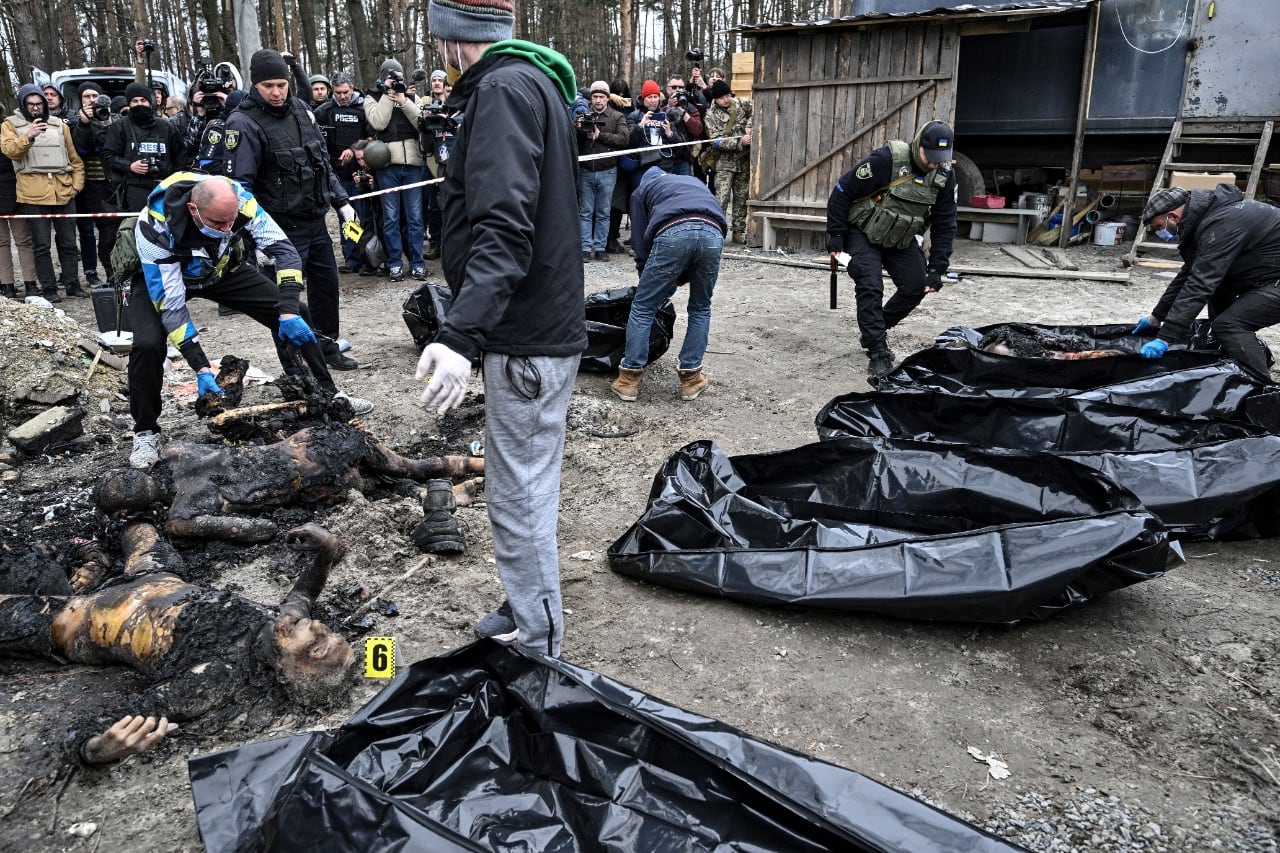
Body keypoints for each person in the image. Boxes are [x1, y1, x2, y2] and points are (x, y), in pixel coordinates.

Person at [418, 0, 586, 659]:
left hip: (526, 333)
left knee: (518, 498)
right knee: (521, 484)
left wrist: (460, 334)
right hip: (535, 325)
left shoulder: (502, 91)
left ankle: (538, 644)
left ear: (452, 36)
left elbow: (504, 231)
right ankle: (523, 604)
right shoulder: (535, 81)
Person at [0, 520, 354, 765]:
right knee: (129, 491)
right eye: (326, 630)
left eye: (317, 646)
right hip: (155, 573)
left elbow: (117, 718)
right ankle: (92, 554)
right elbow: (303, 596)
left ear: (286, 673)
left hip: (78, 618)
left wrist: (94, 749)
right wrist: (326, 552)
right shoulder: (280, 627)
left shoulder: (215, 677)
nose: (314, 626)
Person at [125, 172, 372, 469]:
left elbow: (284, 251)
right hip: (164, 276)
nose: (228, 228)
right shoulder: (154, 225)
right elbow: (173, 307)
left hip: (219, 268)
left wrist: (289, 309)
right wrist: (201, 367)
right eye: (218, 223)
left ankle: (329, 396)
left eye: (232, 222)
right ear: (194, 210)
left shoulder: (240, 200)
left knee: (299, 314)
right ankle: (146, 431)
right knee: (147, 344)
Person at [224, 48, 360, 371]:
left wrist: (342, 203)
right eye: (268, 86)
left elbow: (321, 163)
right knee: (285, 300)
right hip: (278, 230)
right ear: (256, 85)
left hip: (314, 222)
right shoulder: (242, 123)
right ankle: (296, 366)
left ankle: (328, 348)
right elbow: (239, 189)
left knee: (326, 288)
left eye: (281, 85)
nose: (276, 92)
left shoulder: (301, 110)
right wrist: (256, 238)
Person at [825, 119, 958, 380]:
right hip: (862, 232)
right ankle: (878, 351)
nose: (934, 164)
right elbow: (842, 192)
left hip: (901, 238)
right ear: (919, 144)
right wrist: (836, 236)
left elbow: (945, 224)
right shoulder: (886, 160)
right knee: (870, 283)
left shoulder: (944, 176)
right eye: (930, 157)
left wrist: (937, 268)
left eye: (939, 159)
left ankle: (875, 328)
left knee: (916, 285)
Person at [1132, 184, 1280, 380]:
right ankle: (1231, 363)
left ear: (1173, 217)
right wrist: (1156, 317)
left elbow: (1201, 284)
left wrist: (1165, 338)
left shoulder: (1223, 224)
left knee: (1228, 325)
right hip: (1266, 274)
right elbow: (1188, 275)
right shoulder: (1208, 221)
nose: (1160, 233)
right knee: (1219, 298)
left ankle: (1263, 390)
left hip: (1274, 280)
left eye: (1159, 227)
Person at [611, 167, 727, 403]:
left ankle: (628, 380)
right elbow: (698, 235)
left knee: (643, 307)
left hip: (674, 231)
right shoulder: (691, 181)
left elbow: (640, 242)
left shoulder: (642, 191)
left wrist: (647, 279)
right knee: (700, 307)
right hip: (714, 233)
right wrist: (676, 279)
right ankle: (691, 379)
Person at [0, 84, 85, 302]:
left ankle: (72, 283)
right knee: (41, 245)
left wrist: (76, 186)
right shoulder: (10, 125)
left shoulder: (59, 125)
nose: (36, 108)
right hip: (32, 192)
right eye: (31, 105)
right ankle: (48, 288)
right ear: (22, 105)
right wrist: (28, 136)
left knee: (68, 242)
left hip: (63, 190)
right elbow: (10, 151)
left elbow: (75, 160)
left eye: (39, 104)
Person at [365, 58, 427, 282]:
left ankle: (417, 263)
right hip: (387, 167)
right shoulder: (372, 97)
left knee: (415, 218)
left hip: (412, 166)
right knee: (390, 218)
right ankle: (394, 264)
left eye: (398, 76)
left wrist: (403, 99)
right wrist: (387, 96)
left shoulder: (411, 97)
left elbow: (421, 122)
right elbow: (379, 123)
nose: (395, 80)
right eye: (391, 76)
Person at [314, 73, 370, 273]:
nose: (343, 96)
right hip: (337, 174)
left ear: (352, 88)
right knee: (346, 218)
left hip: (361, 173)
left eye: (346, 92)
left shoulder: (364, 109)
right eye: (338, 93)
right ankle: (352, 258)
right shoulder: (323, 112)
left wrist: (354, 149)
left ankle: (367, 257)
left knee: (363, 216)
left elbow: (372, 136)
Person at [104, 81, 186, 213]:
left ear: (150, 102)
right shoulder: (120, 126)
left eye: (143, 100)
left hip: (164, 187)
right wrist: (129, 166)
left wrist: (175, 182)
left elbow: (181, 158)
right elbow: (108, 156)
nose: (139, 104)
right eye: (134, 101)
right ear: (129, 104)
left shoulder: (166, 126)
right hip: (133, 190)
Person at [576, 80, 629, 262]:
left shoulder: (617, 117)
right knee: (585, 211)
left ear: (607, 98)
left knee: (603, 212)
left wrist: (600, 135)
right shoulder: (583, 115)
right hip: (585, 171)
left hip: (608, 171)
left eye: (601, 97)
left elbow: (623, 139)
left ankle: (600, 247)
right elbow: (572, 141)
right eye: (595, 97)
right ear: (591, 98)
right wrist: (578, 128)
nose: (598, 100)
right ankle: (584, 248)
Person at [701, 79, 752, 244]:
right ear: (715, 99)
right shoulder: (710, 115)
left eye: (727, 95)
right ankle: (717, 231)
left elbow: (757, 109)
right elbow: (716, 140)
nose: (726, 99)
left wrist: (750, 126)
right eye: (722, 97)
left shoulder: (740, 104)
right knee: (721, 199)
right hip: (724, 163)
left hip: (743, 160)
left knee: (741, 197)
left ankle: (739, 231)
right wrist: (739, 142)